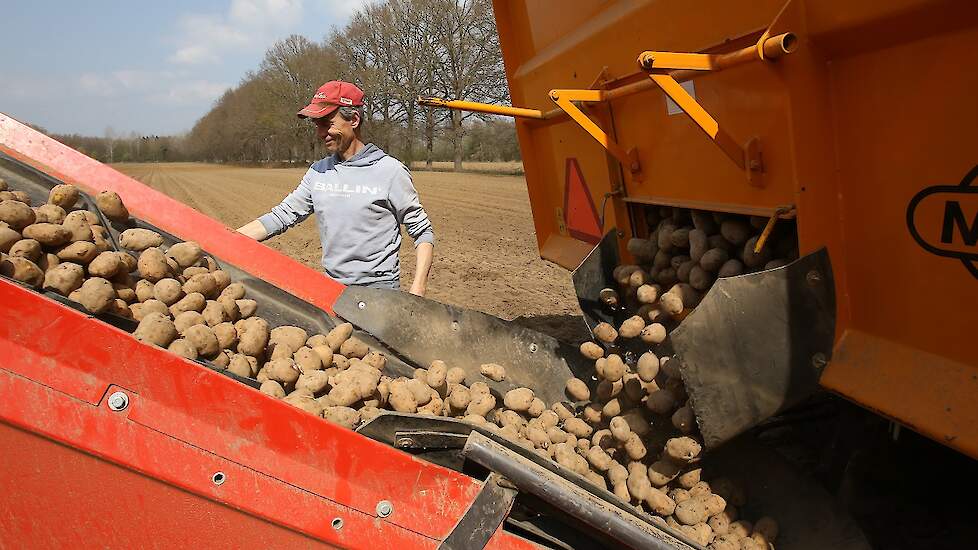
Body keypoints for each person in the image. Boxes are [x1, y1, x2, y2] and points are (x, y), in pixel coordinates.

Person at [236, 81, 434, 296]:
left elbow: (422, 231)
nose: (321, 133)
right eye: (317, 125)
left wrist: (418, 287)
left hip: (380, 293)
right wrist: (227, 239)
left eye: (327, 123)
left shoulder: (390, 171)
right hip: (332, 291)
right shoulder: (319, 172)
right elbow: (282, 216)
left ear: (354, 120)